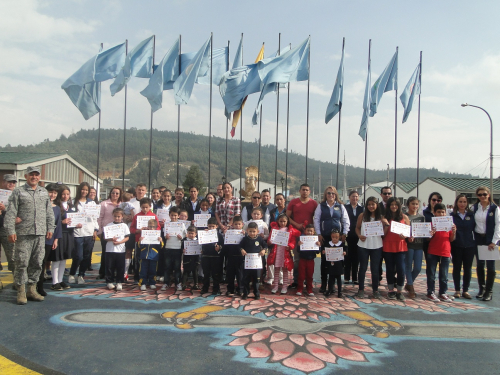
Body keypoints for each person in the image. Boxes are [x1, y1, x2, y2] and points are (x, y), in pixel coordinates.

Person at [5, 166, 55, 305]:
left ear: (39, 177)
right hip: (23, 233)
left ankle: (31, 289)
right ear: (26, 176)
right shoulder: (18, 191)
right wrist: (10, 231)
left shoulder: (43, 192)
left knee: (38, 263)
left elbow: (49, 212)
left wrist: (50, 227)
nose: (34, 177)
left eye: (36, 175)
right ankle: (21, 290)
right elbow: (11, 212)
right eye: (31, 175)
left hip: (39, 233)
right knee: (21, 263)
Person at [313, 186, 349, 293]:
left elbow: (345, 220)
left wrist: (344, 233)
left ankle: (332, 286)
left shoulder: (341, 206)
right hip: (324, 237)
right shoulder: (321, 206)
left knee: (336, 260)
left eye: (333, 193)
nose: (331, 195)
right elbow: (316, 220)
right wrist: (318, 233)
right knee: (325, 261)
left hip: (337, 237)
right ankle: (324, 285)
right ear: (325, 195)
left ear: (336, 195)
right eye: (328, 193)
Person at [471, 186, 499, 301]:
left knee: (491, 267)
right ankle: (481, 288)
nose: (482, 196)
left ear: (489, 195)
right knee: (480, 265)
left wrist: (494, 241)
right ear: (477, 196)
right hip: (478, 238)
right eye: (480, 194)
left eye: (484, 194)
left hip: (490, 240)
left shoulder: (494, 208)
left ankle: (489, 291)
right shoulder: (474, 208)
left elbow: (498, 225)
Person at [286, 184, 318, 288]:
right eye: (303, 190)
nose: (305, 191)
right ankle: (296, 280)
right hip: (296, 233)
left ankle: (307, 281)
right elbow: (287, 217)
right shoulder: (293, 202)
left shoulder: (314, 203)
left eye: (307, 190)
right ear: (299, 191)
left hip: (309, 236)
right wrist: (296, 225)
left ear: (309, 191)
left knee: (309, 259)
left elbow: (317, 218)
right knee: (297, 259)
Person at [426, 203, 456, 302]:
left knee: (444, 275)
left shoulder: (450, 224)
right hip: (433, 251)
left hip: (445, 251)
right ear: (434, 213)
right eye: (438, 212)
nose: (441, 214)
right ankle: (430, 292)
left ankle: (443, 292)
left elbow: (451, 239)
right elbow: (427, 239)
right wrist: (431, 233)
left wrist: (454, 231)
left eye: (443, 212)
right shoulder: (431, 224)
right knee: (431, 274)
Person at [69, 182, 98, 285]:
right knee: (78, 256)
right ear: (79, 190)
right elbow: (70, 217)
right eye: (83, 189)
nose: (84, 192)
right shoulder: (73, 202)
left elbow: (95, 218)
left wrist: (95, 230)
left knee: (86, 256)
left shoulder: (92, 203)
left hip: (89, 232)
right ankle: (72, 274)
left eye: (86, 190)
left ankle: (81, 275)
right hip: (77, 233)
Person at [382, 197, 410, 301]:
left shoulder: (404, 217)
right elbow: (382, 235)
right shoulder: (384, 217)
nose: (394, 206)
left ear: (399, 206)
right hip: (388, 246)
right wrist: (385, 225)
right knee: (389, 269)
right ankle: (390, 290)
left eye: (396, 204)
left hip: (401, 246)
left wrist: (405, 236)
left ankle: (399, 291)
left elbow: (409, 233)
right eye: (391, 205)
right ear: (388, 206)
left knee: (401, 269)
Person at [51, 185, 78, 291]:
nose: (65, 196)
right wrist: (62, 222)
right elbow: (52, 221)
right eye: (63, 194)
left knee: (64, 258)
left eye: (67, 194)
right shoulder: (56, 206)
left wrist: (77, 224)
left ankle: (60, 279)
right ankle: (54, 282)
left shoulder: (71, 206)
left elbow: (75, 218)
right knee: (57, 258)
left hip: (69, 234)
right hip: (59, 234)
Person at [355, 196, 383, 299]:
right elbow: (357, 228)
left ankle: (375, 290)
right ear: (366, 205)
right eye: (369, 204)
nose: (371, 206)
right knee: (362, 268)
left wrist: (386, 224)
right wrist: (359, 235)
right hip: (363, 245)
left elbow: (385, 231)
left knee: (375, 269)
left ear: (377, 205)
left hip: (377, 245)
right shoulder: (362, 216)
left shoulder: (381, 217)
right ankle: (361, 289)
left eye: (373, 204)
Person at [130, 198, 161, 283]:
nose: (145, 209)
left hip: (151, 241)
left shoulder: (154, 216)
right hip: (140, 240)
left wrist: (152, 230)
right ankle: (137, 278)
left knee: (151, 261)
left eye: (147, 207)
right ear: (140, 207)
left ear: (150, 207)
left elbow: (158, 227)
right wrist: (139, 230)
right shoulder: (137, 216)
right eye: (143, 207)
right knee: (138, 259)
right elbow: (132, 228)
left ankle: (149, 278)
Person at [38, 183, 62, 297]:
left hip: (49, 238)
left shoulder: (57, 208)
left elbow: (58, 225)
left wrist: (56, 239)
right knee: (35, 262)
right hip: (38, 236)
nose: (52, 195)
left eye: (55, 193)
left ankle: (40, 287)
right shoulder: (39, 205)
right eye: (50, 192)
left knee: (43, 262)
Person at [450, 194, 475, 299]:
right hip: (456, 245)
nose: (462, 204)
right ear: (457, 203)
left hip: (469, 245)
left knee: (468, 269)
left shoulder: (471, 215)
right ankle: (457, 290)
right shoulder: (452, 215)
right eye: (460, 202)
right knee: (457, 268)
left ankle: (465, 290)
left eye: (464, 202)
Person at [267, 213, 300, 294]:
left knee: (285, 270)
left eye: (284, 221)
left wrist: (290, 246)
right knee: (276, 269)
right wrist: (270, 241)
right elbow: (270, 239)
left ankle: (284, 287)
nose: (282, 223)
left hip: (285, 253)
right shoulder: (274, 229)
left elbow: (293, 241)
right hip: (277, 252)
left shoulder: (290, 230)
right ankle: (275, 286)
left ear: (287, 221)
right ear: (278, 221)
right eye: (281, 221)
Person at [97, 187, 123, 280]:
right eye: (113, 193)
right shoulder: (104, 204)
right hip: (106, 232)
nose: (115, 195)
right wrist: (99, 231)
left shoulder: (122, 204)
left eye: (117, 193)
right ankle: (102, 272)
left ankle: (114, 272)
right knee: (105, 252)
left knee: (116, 253)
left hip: (119, 232)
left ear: (120, 195)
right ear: (110, 193)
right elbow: (99, 217)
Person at [104, 208, 130, 291]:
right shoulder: (108, 225)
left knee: (120, 267)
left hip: (120, 250)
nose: (117, 218)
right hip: (110, 249)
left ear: (122, 216)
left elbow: (127, 238)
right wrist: (111, 239)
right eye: (115, 216)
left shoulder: (124, 226)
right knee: (109, 266)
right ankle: (109, 282)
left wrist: (119, 242)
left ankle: (119, 282)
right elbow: (105, 238)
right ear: (113, 216)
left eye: (119, 216)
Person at [240, 221, 267, 300]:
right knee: (246, 279)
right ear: (247, 231)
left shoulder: (259, 239)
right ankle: (246, 293)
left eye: (254, 231)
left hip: (256, 263)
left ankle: (256, 293)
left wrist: (264, 250)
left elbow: (265, 245)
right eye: (250, 231)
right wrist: (242, 250)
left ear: (257, 231)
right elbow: (240, 246)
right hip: (247, 262)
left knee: (256, 279)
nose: (252, 233)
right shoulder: (245, 239)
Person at [162, 207, 186, 291]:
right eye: (172, 215)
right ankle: (166, 283)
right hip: (168, 247)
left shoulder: (181, 224)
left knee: (177, 267)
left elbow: (184, 235)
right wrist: (166, 237)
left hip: (177, 248)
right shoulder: (166, 224)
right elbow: (164, 235)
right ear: (169, 215)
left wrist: (181, 237)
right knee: (167, 266)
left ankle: (178, 282)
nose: (174, 217)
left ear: (178, 216)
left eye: (175, 215)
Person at [405, 196, 425, 299]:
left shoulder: (421, 217)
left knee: (417, 268)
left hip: (419, 245)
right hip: (409, 245)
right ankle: (411, 287)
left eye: (416, 204)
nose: (415, 206)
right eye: (412, 204)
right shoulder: (405, 216)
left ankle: (409, 283)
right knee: (408, 266)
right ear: (408, 205)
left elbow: (425, 230)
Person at [344, 190, 364, 285]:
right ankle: (347, 277)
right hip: (348, 235)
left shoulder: (362, 208)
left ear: (358, 197)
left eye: (356, 196)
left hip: (358, 235)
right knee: (347, 256)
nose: (354, 198)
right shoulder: (345, 207)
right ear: (349, 197)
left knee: (356, 257)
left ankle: (355, 278)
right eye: (352, 196)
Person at [200, 217, 224, 295]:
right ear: (207, 226)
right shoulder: (204, 234)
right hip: (206, 256)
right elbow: (200, 244)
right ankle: (205, 288)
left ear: (216, 226)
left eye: (213, 226)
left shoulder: (219, 235)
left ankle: (216, 288)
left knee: (215, 274)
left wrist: (219, 248)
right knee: (206, 274)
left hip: (216, 258)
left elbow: (222, 246)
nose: (211, 228)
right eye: (209, 226)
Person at [296, 224, 321, 296]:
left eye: (311, 231)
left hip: (311, 260)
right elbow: (298, 251)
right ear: (305, 231)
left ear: (313, 232)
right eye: (308, 231)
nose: (309, 232)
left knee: (310, 276)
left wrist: (318, 246)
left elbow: (317, 252)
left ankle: (309, 289)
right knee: (301, 275)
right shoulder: (301, 239)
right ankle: (300, 288)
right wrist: (298, 245)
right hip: (302, 260)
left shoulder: (315, 240)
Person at [138, 218, 163, 291]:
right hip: (144, 255)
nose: (151, 228)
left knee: (153, 270)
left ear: (156, 227)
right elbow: (140, 246)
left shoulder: (158, 235)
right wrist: (140, 241)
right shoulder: (144, 234)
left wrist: (160, 241)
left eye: (153, 227)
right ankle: (143, 283)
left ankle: (152, 283)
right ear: (147, 226)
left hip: (153, 256)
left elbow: (161, 247)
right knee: (143, 270)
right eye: (150, 226)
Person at [0, 174, 18, 274]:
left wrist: (5, 209)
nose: (11, 184)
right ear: (3, 182)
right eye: (9, 182)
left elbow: (21, 212)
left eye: (13, 182)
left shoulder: (17, 196)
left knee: (12, 255)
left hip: (9, 229)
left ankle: (16, 281)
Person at [223, 216, 245, 296]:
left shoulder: (244, 233)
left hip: (240, 256)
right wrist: (226, 235)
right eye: (236, 224)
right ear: (232, 225)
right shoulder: (229, 232)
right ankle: (230, 289)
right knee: (230, 274)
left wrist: (245, 235)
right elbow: (225, 244)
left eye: (239, 224)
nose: (237, 226)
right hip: (231, 256)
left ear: (242, 224)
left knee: (240, 274)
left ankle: (240, 289)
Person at [323, 228, 347, 298]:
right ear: (331, 237)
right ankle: (329, 290)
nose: (334, 239)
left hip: (339, 264)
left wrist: (345, 252)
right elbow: (324, 250)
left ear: (339, 237)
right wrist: (324, 252)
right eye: (333, 237)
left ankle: (339, 291)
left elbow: (346, 250)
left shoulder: (342, 244)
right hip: (331, 264)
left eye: (336, 237)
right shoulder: (328, 243)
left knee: (339, 279)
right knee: (330, 278)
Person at [181, 225, 200, 290]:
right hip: (187, 259)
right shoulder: (184, 240)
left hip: (195, 259)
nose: (190, 235)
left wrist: (201, 251)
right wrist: (182, 250)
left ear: (196, 234)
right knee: (185, 271)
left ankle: (196, 284)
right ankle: (183, 284)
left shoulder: (198, 240)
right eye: (189, 233)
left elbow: (201, 248)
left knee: (195, 272)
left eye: (192, 233)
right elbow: (181, 248)